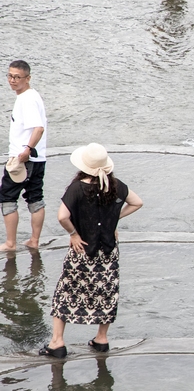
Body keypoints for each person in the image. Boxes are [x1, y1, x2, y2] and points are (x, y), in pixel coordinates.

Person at [39, 144, 143, 358]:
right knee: (106, 293)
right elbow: (137, 202)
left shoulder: (77, 188)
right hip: (107, 252)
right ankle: (101, 339)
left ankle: (57, 343)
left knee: (66, 293)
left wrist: (73, 234)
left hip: (82, 251)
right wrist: (113, 220)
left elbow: (62, 217)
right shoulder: (115, 185)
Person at [1, 60, 47, 252]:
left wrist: (27, 149)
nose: (13, 80)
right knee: (35, 197)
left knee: (7, 198)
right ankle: (34, 240)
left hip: (23, 158)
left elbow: (39, 128)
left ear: (27, 78)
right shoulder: (32, 96)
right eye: (10, 76)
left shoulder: (26, 99)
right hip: (39, 158)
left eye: (17, 77)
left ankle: (10, 243)